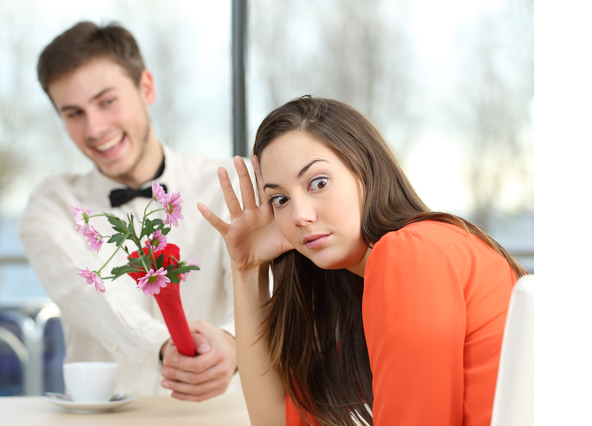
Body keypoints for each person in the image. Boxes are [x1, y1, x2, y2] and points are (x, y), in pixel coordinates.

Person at [198, 96, 530, 425]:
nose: (300, 215)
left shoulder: (410, 253)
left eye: (318, 183)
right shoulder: (372, 280)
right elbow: (274, 422)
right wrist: (247, 269)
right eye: (280, 200)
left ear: (365, 169)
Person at [19, 21, 241, 400]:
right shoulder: (50, 206)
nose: (95, 128)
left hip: (215, 416)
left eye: (107, 101)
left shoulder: (227, 184)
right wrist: (166, 349)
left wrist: (234, 345)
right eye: (73, 113)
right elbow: (92, 300)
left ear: (146, 88)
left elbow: (261, 297)